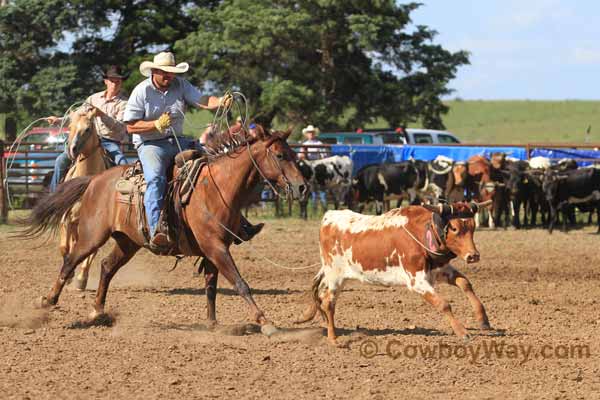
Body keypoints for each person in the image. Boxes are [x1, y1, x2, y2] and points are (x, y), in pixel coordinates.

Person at [123, 51, 262, 249]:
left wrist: (220, 101)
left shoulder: (180, 84)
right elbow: (130, 126)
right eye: (164, 72)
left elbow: (203, 100)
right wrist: (155, 124)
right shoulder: (141, 91)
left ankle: (238, 223)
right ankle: (156, 230)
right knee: (156, 178)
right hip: (150, 143)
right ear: (153, 71)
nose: (168, 76)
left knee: (214, 167)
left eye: (170, 72)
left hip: (177, 140)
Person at [46, 65, 130, 192]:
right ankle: (53, 195)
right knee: (61, 161)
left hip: (110, 141)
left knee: (122, 162)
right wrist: (58, 120)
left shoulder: (124, 103)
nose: (115, 84)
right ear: (106, 81)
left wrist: (102, 115)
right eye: (112, 80)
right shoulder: (93, 98)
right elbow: (78, 116)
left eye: (118, 81)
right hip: (87, 139)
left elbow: (121, 127)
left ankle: (122, 197)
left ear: (121, 82)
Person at [299, 124, 327, 213]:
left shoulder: (319, 144)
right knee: (313, 189)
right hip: (308, 168)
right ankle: (315, 208)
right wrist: (303, 155)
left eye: (311, 132)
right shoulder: (304, 144)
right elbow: (300, 156)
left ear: (314, 134)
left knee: (321, 187)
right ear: (306, 134)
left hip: (318, 166)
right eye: (309, 133)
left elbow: (324, 155)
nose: (310, 134)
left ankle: (323, 207)